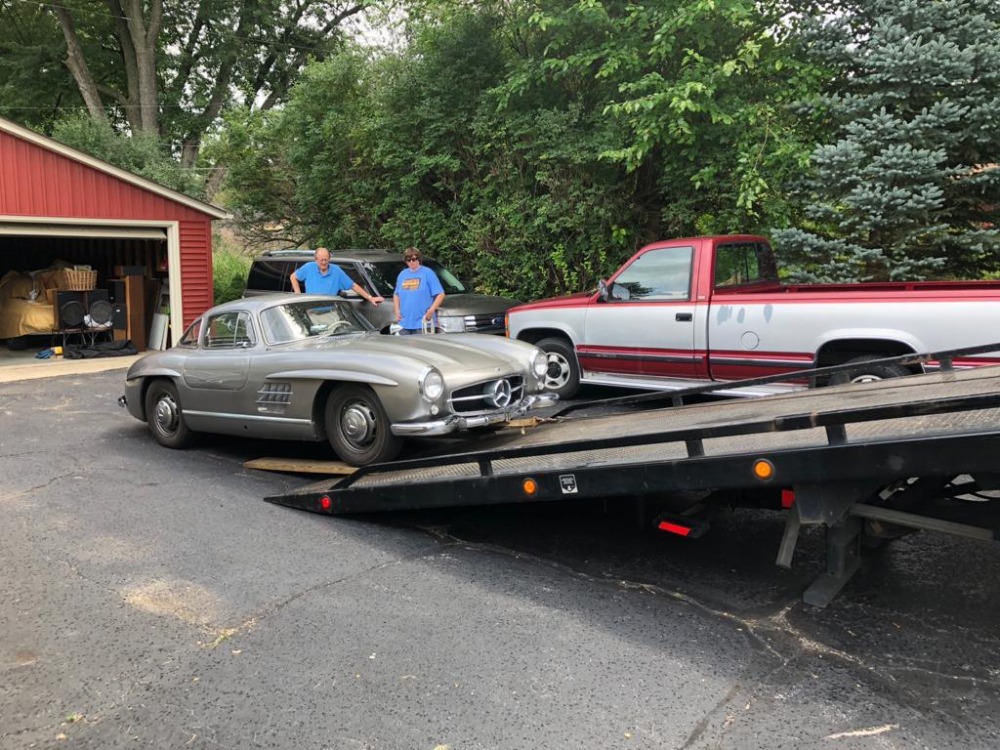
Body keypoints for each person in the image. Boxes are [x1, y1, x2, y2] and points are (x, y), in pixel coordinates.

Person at [290, 247, 384, 305]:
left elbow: (353, 285)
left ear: (329, 259)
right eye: (321, 260)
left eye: (326, 260)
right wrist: (298, 295)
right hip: (311, 311)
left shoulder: (336, 270)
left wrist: (370, 298)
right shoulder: (308, 267)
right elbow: (293, 277)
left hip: (331, 311)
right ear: (316, 259)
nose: (324, 262)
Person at [393, 247, 445, 335]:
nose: (411, 262)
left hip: (423, 322)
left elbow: (440, 294)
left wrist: (431, 310)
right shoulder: (403, 274)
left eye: (413, 259)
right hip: (404, 323)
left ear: (419, 259)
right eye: (408, 260)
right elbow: (396, 294)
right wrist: (397, 311)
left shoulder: (427, 273)